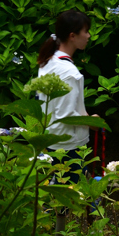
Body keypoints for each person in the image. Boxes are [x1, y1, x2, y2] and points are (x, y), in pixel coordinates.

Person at [36, 10, 96, 167]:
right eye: (86, 31)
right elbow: (66, 114)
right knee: (70, 187)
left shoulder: (49, 60)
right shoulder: (68, 72)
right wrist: (92, 122)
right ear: (72, 36)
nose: (89, 36)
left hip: (50, 139)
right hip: (68, 145)